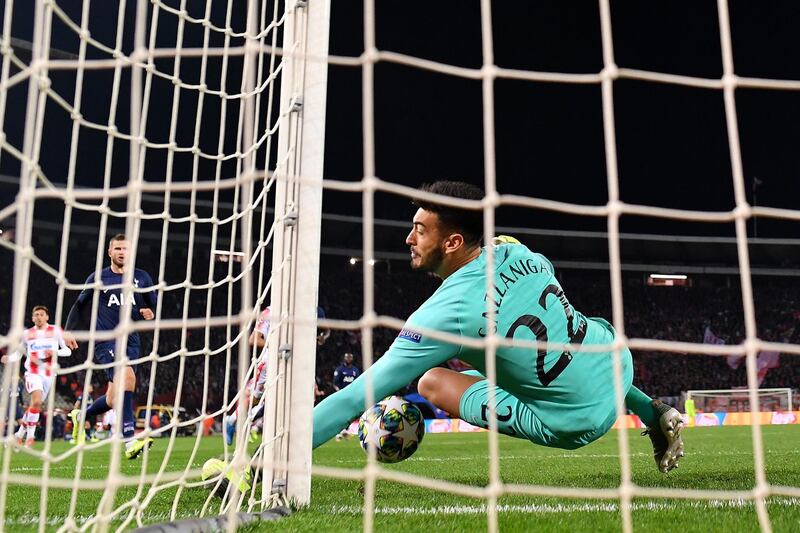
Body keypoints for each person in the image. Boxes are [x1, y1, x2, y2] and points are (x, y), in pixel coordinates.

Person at [312, 181, 684, 473]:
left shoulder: (441, 316)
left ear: (454, 241)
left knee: (430, 382)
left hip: (577, 422)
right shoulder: (519, 251)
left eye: (420, 231)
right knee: (553, 344)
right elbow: (509, 252)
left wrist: (278, 454)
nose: (409, 239)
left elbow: (351, 399)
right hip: (617, 363)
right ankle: (655, 411)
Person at [64, 234, 156, 459]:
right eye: (117, 249)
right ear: (109, 252)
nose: (121, 252)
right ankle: (129, 439)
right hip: (106, 340)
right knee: (128, 380)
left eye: (126, 248)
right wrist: (68, 330)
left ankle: (81, 416)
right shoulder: (98, 277)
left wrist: (150, 312)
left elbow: (153, 305)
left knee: (113, 398)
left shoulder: (142, 278)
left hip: (132, 340)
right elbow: (79, 305)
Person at [1, 306, 72, 447]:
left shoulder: (56, 331)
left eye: (41, 314)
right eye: (36, 315)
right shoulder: (27, 334)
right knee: (37, 401)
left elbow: (67, 351)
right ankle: (30, 438)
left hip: (49, 373)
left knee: (35, 405)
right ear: (33, 318)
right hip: (32, 372)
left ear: (47, 317)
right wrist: (9, 358)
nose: (38, 317)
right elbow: (19, 353)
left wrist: (54, 352)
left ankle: (19, 434)